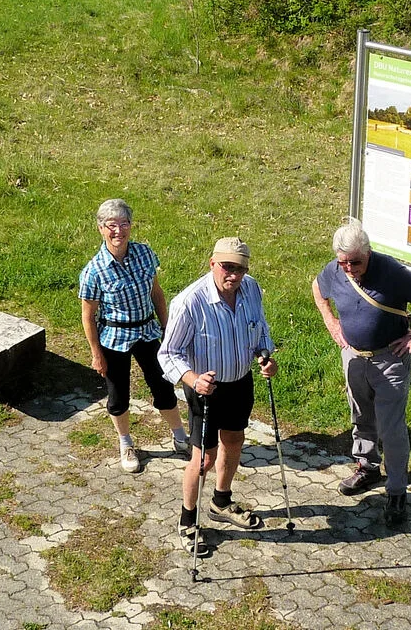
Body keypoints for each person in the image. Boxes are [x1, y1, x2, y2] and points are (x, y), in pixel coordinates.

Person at [311, 218, 411, 527]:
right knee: (360, 416)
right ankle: (367, 467)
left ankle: (397, 491)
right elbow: (317, 290)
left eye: (355, 262)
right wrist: (332, 323)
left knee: (391, 428)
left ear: (368, 252)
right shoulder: (336, 269)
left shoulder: (390, 271)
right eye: (342, 262)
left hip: (390, 359)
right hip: (353, 357)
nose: (348, 268)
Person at [159, 237, 278, 556]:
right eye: (227, 267)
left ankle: (221, 501)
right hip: (205, 390)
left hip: (240, 381)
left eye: (240, 268)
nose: (234, 275)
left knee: (235, 439)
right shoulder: (189, 302)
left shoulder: (251, 288)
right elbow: (169, 352)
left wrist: (265, 355)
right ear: (212, 263)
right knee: (204, 458)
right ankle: (187, 521)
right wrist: (192, 379)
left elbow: (260, 328)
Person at [79, 199, 188, 474]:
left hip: (147, 330)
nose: (119, 231)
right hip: (114, 337)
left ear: (131, 226)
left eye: (124, 224)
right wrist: (96, 354)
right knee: (119, 395)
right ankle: (126, 443)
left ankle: (180, 436)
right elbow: (88, 316)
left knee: (163, 385)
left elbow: (157, 293)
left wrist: (168, 330)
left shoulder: (144, 253)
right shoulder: (94, 270)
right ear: (101, 229)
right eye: (111, 226)